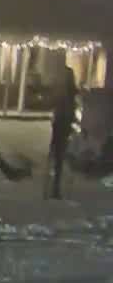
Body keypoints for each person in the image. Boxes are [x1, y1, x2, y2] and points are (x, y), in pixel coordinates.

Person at [47, 67, 78, 199]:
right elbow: (67, 111)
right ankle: (55, 188)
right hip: (62, 125)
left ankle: (54, 187)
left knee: (56, 156)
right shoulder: (68, 94)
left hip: (60, 125)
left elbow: (57, 108)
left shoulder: (62, 93)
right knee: (59, 157)